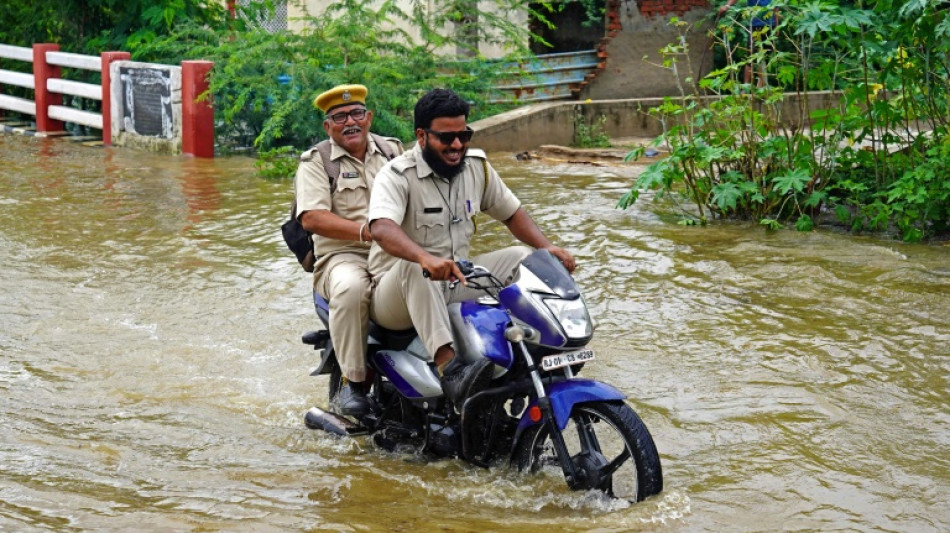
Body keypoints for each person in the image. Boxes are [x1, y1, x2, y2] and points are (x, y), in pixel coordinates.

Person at [366, 88, 575, 407]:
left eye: (464, 135)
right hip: (396, 293)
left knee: (526, 259)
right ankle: (451, 369)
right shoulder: (397, 175)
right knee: (416, 268)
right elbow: (381, 227)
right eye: (446, 138)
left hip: (455, 279)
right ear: (421, 136)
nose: (457, 146)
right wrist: (423, 257)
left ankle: (541, 351)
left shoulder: (477, 167)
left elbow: (512, 213)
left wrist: (548, 248)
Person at [294, 84, 404, 416]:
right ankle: (351, 383)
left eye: (356, 113)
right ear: (328, 127)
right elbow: (312, 217)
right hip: (343, 256)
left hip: (396, 251)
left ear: (368, 117)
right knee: (352, 288)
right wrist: (367, 232)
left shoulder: (393, 151)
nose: (350, 121)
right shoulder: (317, 162)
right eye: (339, 117)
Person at [719, 0, 778, 87]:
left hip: (770, 25)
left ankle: (761, 86)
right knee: (751, 55)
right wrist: (727, 6)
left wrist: (777, 26)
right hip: (754, 25)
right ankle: (746, 86)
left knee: (765, 56)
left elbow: (776, 7)